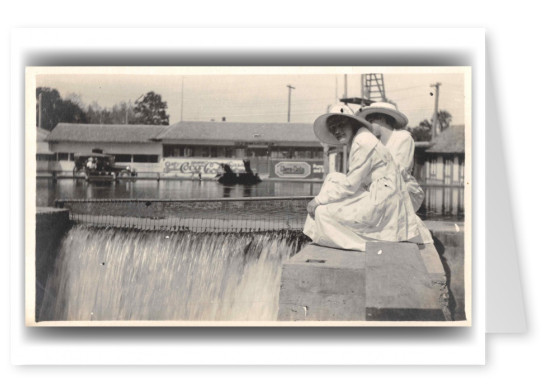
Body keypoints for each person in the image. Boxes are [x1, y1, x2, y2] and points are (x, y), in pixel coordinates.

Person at [303, 104, 432, 251]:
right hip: (381, 194)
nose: (337, 131)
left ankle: (362, 243)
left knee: (322, 212)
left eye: (341, 125)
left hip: (383, 200)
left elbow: (350, 185)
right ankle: (314, 233)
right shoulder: (361, 138)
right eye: (333, 128)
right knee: (332, 178)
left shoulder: (363, 141)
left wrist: (317, 201)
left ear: (352, 123)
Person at [355, 101, 424, 211]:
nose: (368, 126)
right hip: (380, 190)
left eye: (371, 121)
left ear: (382, 119)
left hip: (402, 191)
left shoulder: (403, 138)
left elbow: (397, 171)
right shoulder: (376, 144)